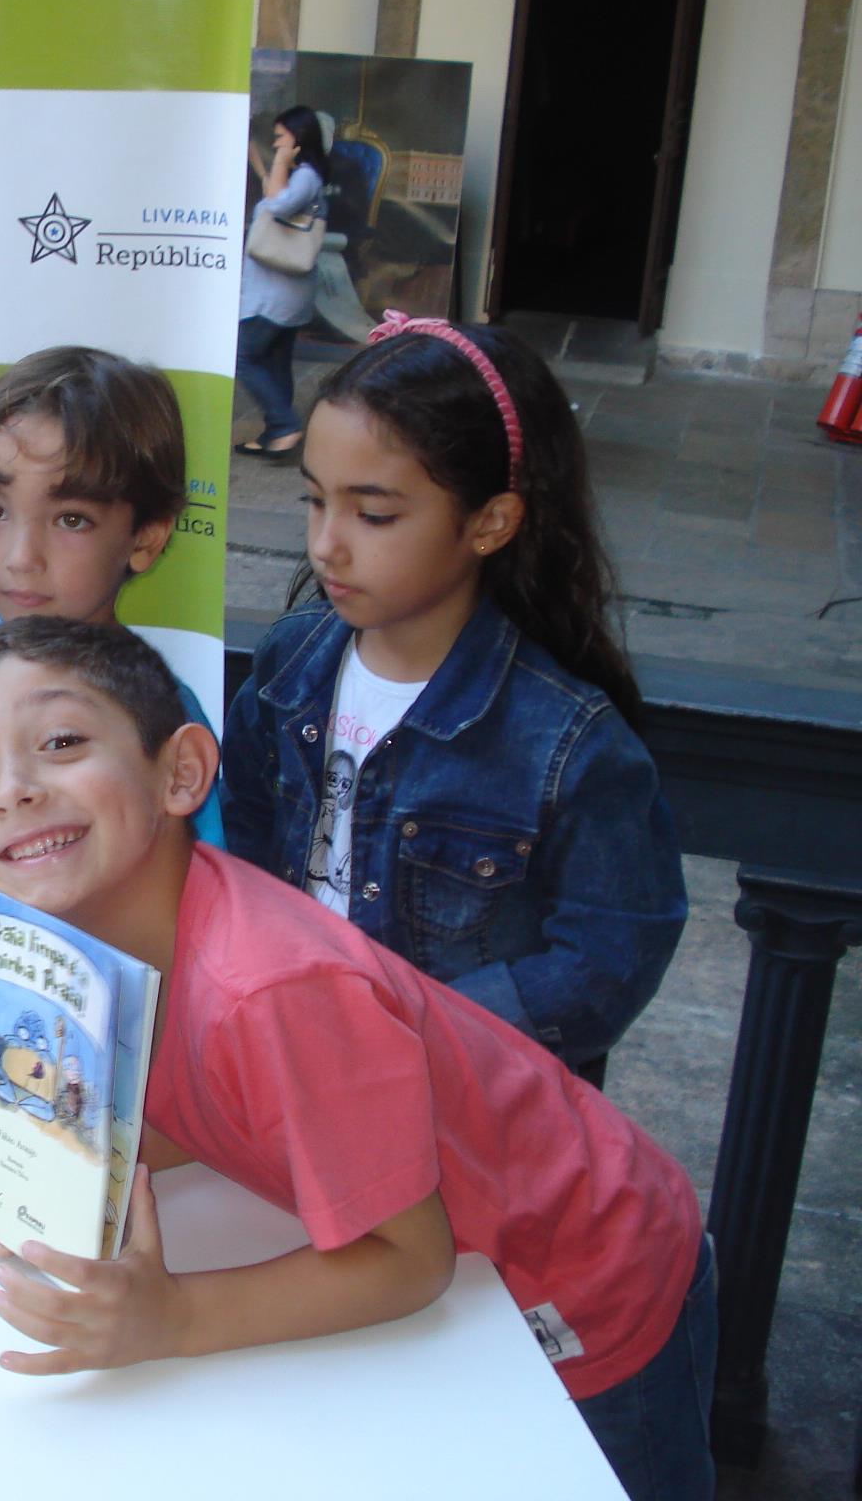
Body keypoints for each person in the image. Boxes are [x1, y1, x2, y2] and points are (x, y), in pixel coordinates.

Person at [0, 616, 714, 1501]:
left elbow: (408, 1259)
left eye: (60, 741)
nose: (11, 790)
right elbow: (192, 1103)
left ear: (181, 774)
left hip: (582, 1275)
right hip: (460, 1302)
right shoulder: (90, 947)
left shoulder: (272, 992)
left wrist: (171, 1317)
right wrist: (50, 1171)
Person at [220, 314, 685, 1074]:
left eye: (374, 514)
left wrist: (410, 1033)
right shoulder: (290, 662)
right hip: (290, 1069)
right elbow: (244, 829)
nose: (327, 543)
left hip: (469, 1122)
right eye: (314, 500)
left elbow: (610, 959)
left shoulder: (565, 739)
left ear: (491, 522)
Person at [0, 346, 225, 941]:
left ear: (146, 537)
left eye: (70, 519)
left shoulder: (162, 716)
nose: (22, 559)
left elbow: (194, 935)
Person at [233, 104, 329, 460]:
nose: (276, 145)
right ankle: (276, 433)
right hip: (286, 293)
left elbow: (276, 207)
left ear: (298, 138)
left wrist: (279, 162)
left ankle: (284, 424)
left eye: (280, 138)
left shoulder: (305, 176)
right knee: (274, 361)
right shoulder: (304, 175)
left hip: (274, 294)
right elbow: (271, 192)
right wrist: (265, 161)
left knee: (244, 356)